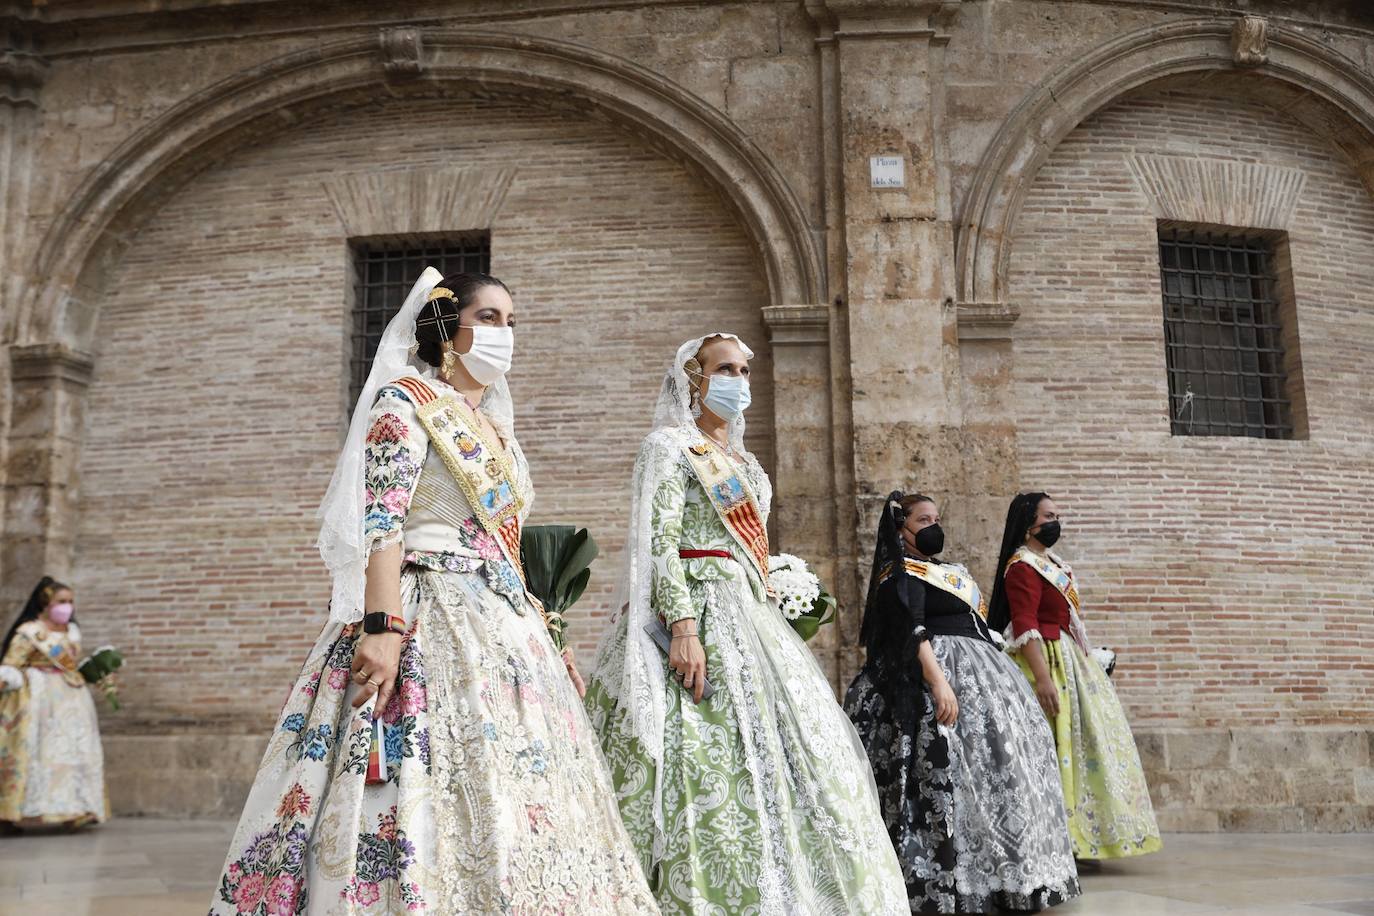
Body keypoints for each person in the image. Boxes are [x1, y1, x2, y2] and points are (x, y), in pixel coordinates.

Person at [210, 269, 656, 915]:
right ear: (450, 329)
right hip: (426, 609)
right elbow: (381, 523)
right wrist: (382, 628)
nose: (506, 334)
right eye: (491, 318)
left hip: (506, 626)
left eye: (512, 322)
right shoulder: (406, 400)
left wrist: (549, 635)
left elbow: (503, 541)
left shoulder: (496, 428)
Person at [584, 333, 908, 916]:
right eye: (724, 369)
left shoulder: (747, 464)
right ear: (694, 379)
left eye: (743, 371)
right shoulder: (668, 447)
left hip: (748, 615)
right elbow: (659, 542)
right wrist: (684, 627)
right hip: (694, 611)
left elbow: (749, 547)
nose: (738, 381)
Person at [844, 493, 1079, 913]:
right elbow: (911, 631)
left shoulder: (951, 572)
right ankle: (957, 881)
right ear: (902, 528)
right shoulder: (899, 574)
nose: (934, 525)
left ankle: (1013, 875)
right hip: (938, 675)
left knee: (1003, 771)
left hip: (987, 673)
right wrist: (938, 683)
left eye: (937, 517)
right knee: (948, 777)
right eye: (923, 519)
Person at [988, 491, 1162, 861]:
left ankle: (1084, 835)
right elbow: (1024, 623)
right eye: (1048, 515)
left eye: (1056, 515)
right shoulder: (1022, 566)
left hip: (1069, 657)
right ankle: (1060, 839)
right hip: (1045, 661)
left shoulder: (1049, 562)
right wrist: (1043, 679)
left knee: (1082, 748)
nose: (1055, 522)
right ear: (1028, 523)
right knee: (1056, 746)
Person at [0, 576, 107, 829]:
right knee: (41, 751)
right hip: (39, 699)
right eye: (62, 601)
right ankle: (14, 812)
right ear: (45, 602)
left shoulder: (71, 631)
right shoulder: (29, 632)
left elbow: (71, 663)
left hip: (72, 699)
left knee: (73, 751)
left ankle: (74, 809)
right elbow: (11, 665)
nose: (67, 606)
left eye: (70, 601)